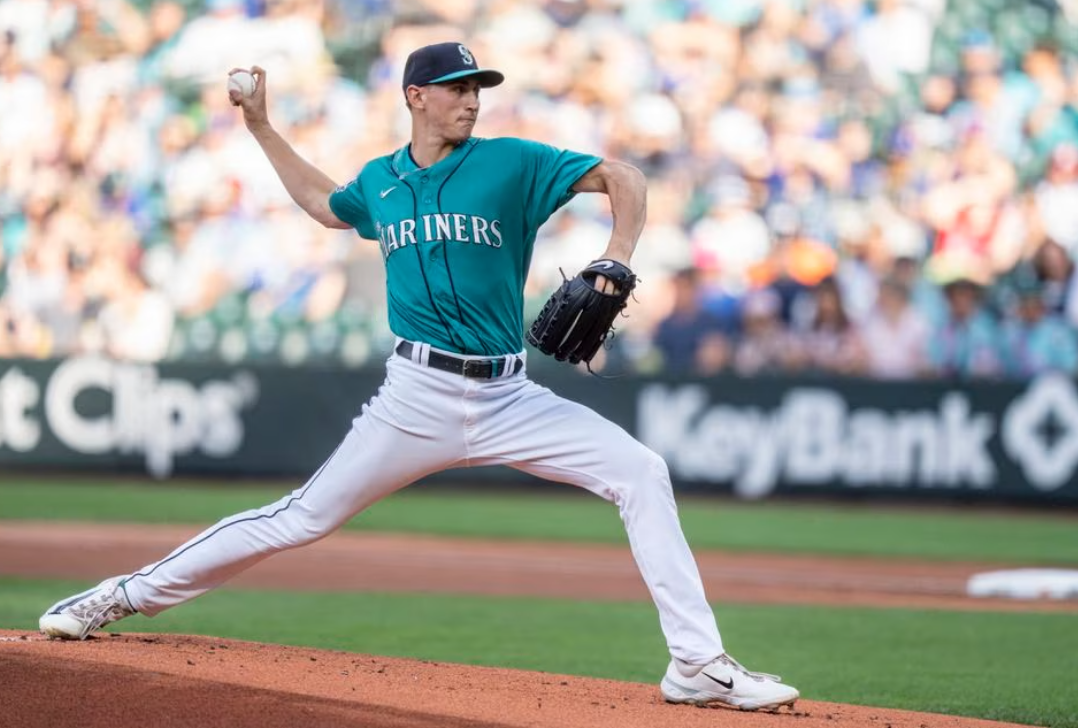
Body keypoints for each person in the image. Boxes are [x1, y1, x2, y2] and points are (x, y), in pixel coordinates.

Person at [38, 42, 799, 712]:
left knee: (640, 471)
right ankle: (121, 595)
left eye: (478, 87)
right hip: (417, 396)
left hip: (510, 395)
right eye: (458, 86)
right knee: (302, 517)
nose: (471, 98)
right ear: (416, 96)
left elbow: (625, 177)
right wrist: (262, 127)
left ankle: (697, 665)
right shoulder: (381, 181)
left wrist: (619, 254)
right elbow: (323, 205)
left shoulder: (511, 162)